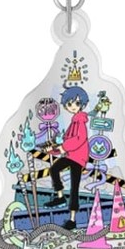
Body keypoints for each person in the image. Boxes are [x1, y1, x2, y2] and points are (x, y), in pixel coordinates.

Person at [44, 86, 90, 230]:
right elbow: (67, 143)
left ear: (82, 104)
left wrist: (63, 147)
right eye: (69, 104)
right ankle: (60, 197)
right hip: (71, 155)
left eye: (76, 103)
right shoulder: (74, 121)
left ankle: (72, 219)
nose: (73, 106)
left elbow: (80, 139)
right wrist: (53, 150)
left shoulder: (80, 120)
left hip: (78, 158)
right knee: (54, 169)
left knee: (74, 188)